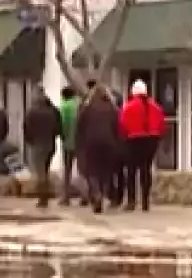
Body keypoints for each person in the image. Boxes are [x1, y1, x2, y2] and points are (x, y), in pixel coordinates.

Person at [118, 79, 168, 211]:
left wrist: (123, 139)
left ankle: (131, 201)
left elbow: (122, 125)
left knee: (131, 171)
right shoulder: (156, 107)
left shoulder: (128, 107)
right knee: (146, 169)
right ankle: (145, 202)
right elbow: (162, 126)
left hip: (133, 140)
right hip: (151, 140)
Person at [75, 84, 122, 215]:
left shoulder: (87, 109)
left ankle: (96, 193)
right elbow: (117, 129)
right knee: (105, 172)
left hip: (91, 144)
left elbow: (79, 129)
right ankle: (102, 192)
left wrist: (79, 146)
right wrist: (118, 144)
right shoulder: (113, 110)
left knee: (92, 171)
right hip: (109, 144)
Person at [23, 90, 63, 209]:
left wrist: (30, 140)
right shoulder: (53, 111)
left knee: (41, 173)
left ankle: (43, 198)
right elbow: (58, 129)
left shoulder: (32, 112)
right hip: (50, 145)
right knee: (45, 170)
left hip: (37, 145)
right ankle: (44, 195)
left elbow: (26, 128)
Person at [57, 85, 81, 206]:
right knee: (82, 170)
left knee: (67, 170)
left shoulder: (65, 107)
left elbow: (63, 125)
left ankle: (65, 197)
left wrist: (62, 136)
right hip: (81, 142)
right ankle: (86, 195)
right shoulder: (79, 106)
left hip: (68, 143)